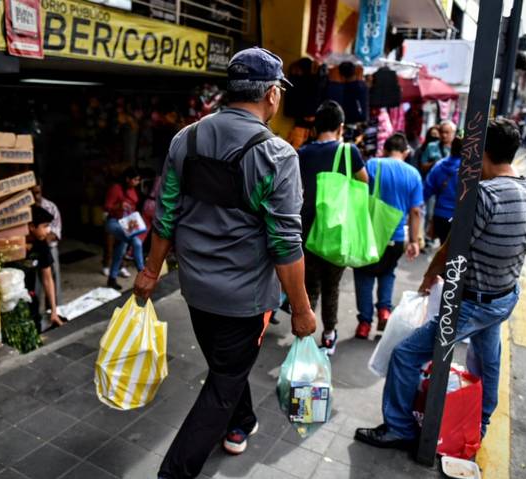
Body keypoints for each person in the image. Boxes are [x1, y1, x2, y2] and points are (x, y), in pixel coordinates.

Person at [133, 47, 316, 479]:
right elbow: (285, 244)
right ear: (272, 95)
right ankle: (174, 472)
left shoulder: (186, 139)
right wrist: (304, 311)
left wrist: (149, 272)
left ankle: (241, 423)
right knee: (222, 383)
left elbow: (166, 213)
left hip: (195, 289)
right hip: (245, 301)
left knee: (226, 368)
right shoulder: (278, 155)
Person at [354, 119, 526, 449]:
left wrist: (429, 278)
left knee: (405, 355)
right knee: (486, 359)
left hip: (474, 302)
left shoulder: (484, 195)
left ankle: (399, 427)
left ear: (481, 152)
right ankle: (480, 421)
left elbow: (452, 249)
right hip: (505, 295)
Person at [299, 100, 368, 354]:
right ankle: (328, 335)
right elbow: (364, 181)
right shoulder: (348, 152)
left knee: (310, 285)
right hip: (338, 230)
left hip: (308, 228)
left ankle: (304, 334)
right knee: (332, 285)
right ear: (341, 127)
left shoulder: (303, 152)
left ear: (315, 126)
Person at [353, 133, 422, 339]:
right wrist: (414, 241)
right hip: (397, 237)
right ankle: (384, 310)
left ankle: (364, 323)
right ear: (406, 152)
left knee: (364, 274)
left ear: (384, 149)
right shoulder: (414, 174)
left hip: (370, 233)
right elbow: (416, 211)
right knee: (387, 272)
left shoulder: (373, 164)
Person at [10, 205, 64, 331]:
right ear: (31, 226)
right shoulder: (13, 243)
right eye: (45, 226)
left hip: (30, 296)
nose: (48, 230)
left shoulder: (41, 245)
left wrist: (54, 311)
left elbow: (47, 279)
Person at [103, 167, 145, 290]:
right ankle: (142, 273)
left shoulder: (133, 190)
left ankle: (112, 278)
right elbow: (107, 207)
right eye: (136, 180)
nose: (138, 182)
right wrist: (119, 206)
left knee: (120, 251)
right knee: (136, 242)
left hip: (127, 223)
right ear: (128, 179)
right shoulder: (116, 188)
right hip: (114, 222)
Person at [420, 121, 456, 248]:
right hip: (435, 187)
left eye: (447, 132)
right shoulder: (431, 147)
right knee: (429, 213)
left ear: (453, 134)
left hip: (448, 197)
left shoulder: (457, 149)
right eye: (442, 132)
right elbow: (423, 166)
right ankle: (427, 236)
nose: (444, 135)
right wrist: (434, 163)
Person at [423, 136, 463, 244]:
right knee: (454, 252)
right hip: (459, 218)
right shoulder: (469, 169)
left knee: (443, 247)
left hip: (440, 216)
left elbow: (426, 190)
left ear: (451, 147)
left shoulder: (439, 165)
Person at [31, 182, 63, 304]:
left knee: (52, 278)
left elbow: (55, 232)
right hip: (35, 248)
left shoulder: (50, 207)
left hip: (49, 247)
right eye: (32, 193)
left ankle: (56, 308)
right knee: (36, 284)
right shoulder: (27, 210)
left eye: (38, 192)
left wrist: (41, 239)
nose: (35, 196)